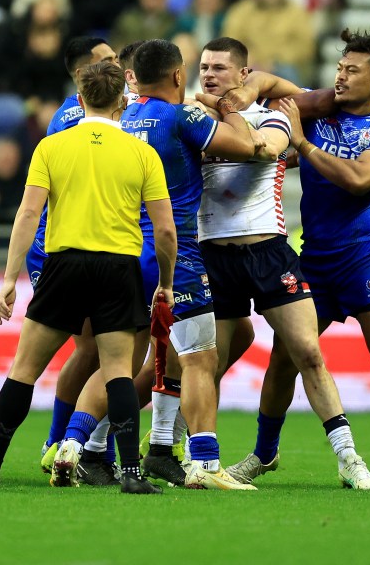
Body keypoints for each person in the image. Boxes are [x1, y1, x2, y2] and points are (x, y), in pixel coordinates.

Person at [219, 29, 370, 491]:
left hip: (365, 257)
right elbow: (271, 84)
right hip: (315, 257)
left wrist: (304, 144)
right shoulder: (318, 113)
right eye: (339, 67)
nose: (340, 76)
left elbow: (357, 180)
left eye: (352, 71)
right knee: (285, 358)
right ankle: (263, 454)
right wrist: (251, 90)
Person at [0, 60, 176, 495]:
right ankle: (131, 474)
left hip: (64, 265)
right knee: (119, 373)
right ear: (122, 103)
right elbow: (164, 229)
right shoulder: (143, 153)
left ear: (82, 98)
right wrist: (165, 281)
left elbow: (28, 213)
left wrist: (11, 278)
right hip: (117, 267)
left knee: (25, 370)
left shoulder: (52, 147)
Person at [52, 39, 265, 491]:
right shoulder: (180, 116)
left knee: (120, 366)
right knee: (200, 359)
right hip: (177, 254)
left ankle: (74, 444)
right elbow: (247, 146)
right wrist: (222, 106)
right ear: (177, 75)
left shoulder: (120, 118)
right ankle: (204, 463)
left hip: (125, 253)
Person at [194, 37, 370, 489]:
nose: (210, 74)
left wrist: (226, 114)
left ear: (244, 76)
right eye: (203, 67)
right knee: (207, 365)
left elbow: (265, 147)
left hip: (268, 252)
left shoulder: (272, 115)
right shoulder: (191, 119)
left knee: (308, 352)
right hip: (213, 253)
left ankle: (348, 458)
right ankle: (198, 458)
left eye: (220, 67)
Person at [31, 37, 120, 474]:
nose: (117, 64)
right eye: (108, 61)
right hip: (61, 245)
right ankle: (61, 442)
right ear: (84, 73)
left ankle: (82, 446)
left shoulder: (81, 113)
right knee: (89, 349)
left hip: (77, 243)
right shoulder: (73, 118)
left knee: (95, 350)